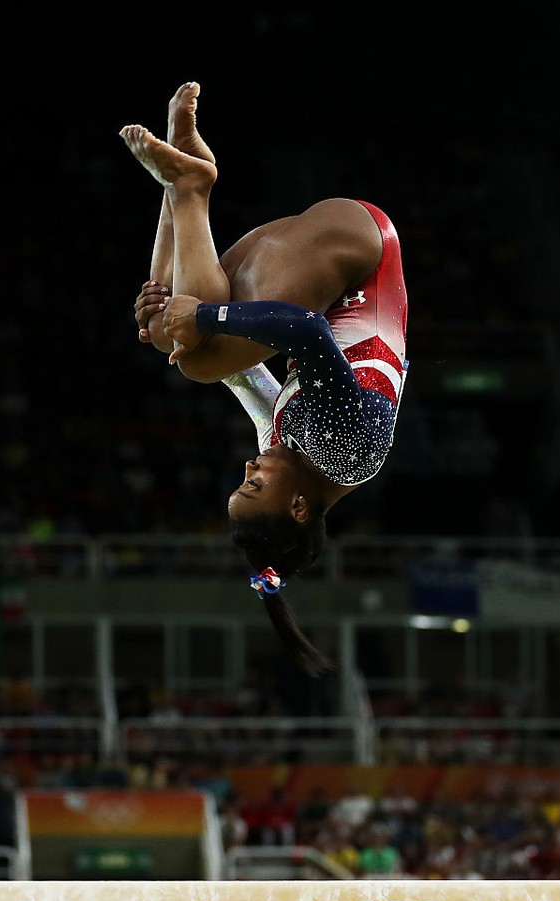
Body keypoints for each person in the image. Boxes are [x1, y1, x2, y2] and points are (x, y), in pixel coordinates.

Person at [119, 82, 409, 678]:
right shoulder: (346, 451)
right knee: (198, 349)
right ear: (300, 508)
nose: (248, 469)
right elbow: (301, 329)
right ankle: (188, 191)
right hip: (362, 252)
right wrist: (199, 319)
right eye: (254, 486)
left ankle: (182, 186)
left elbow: (243, 375)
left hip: (327, 264)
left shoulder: (296, 453)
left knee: (183, 348)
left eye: (241, 481)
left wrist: (165, 322)